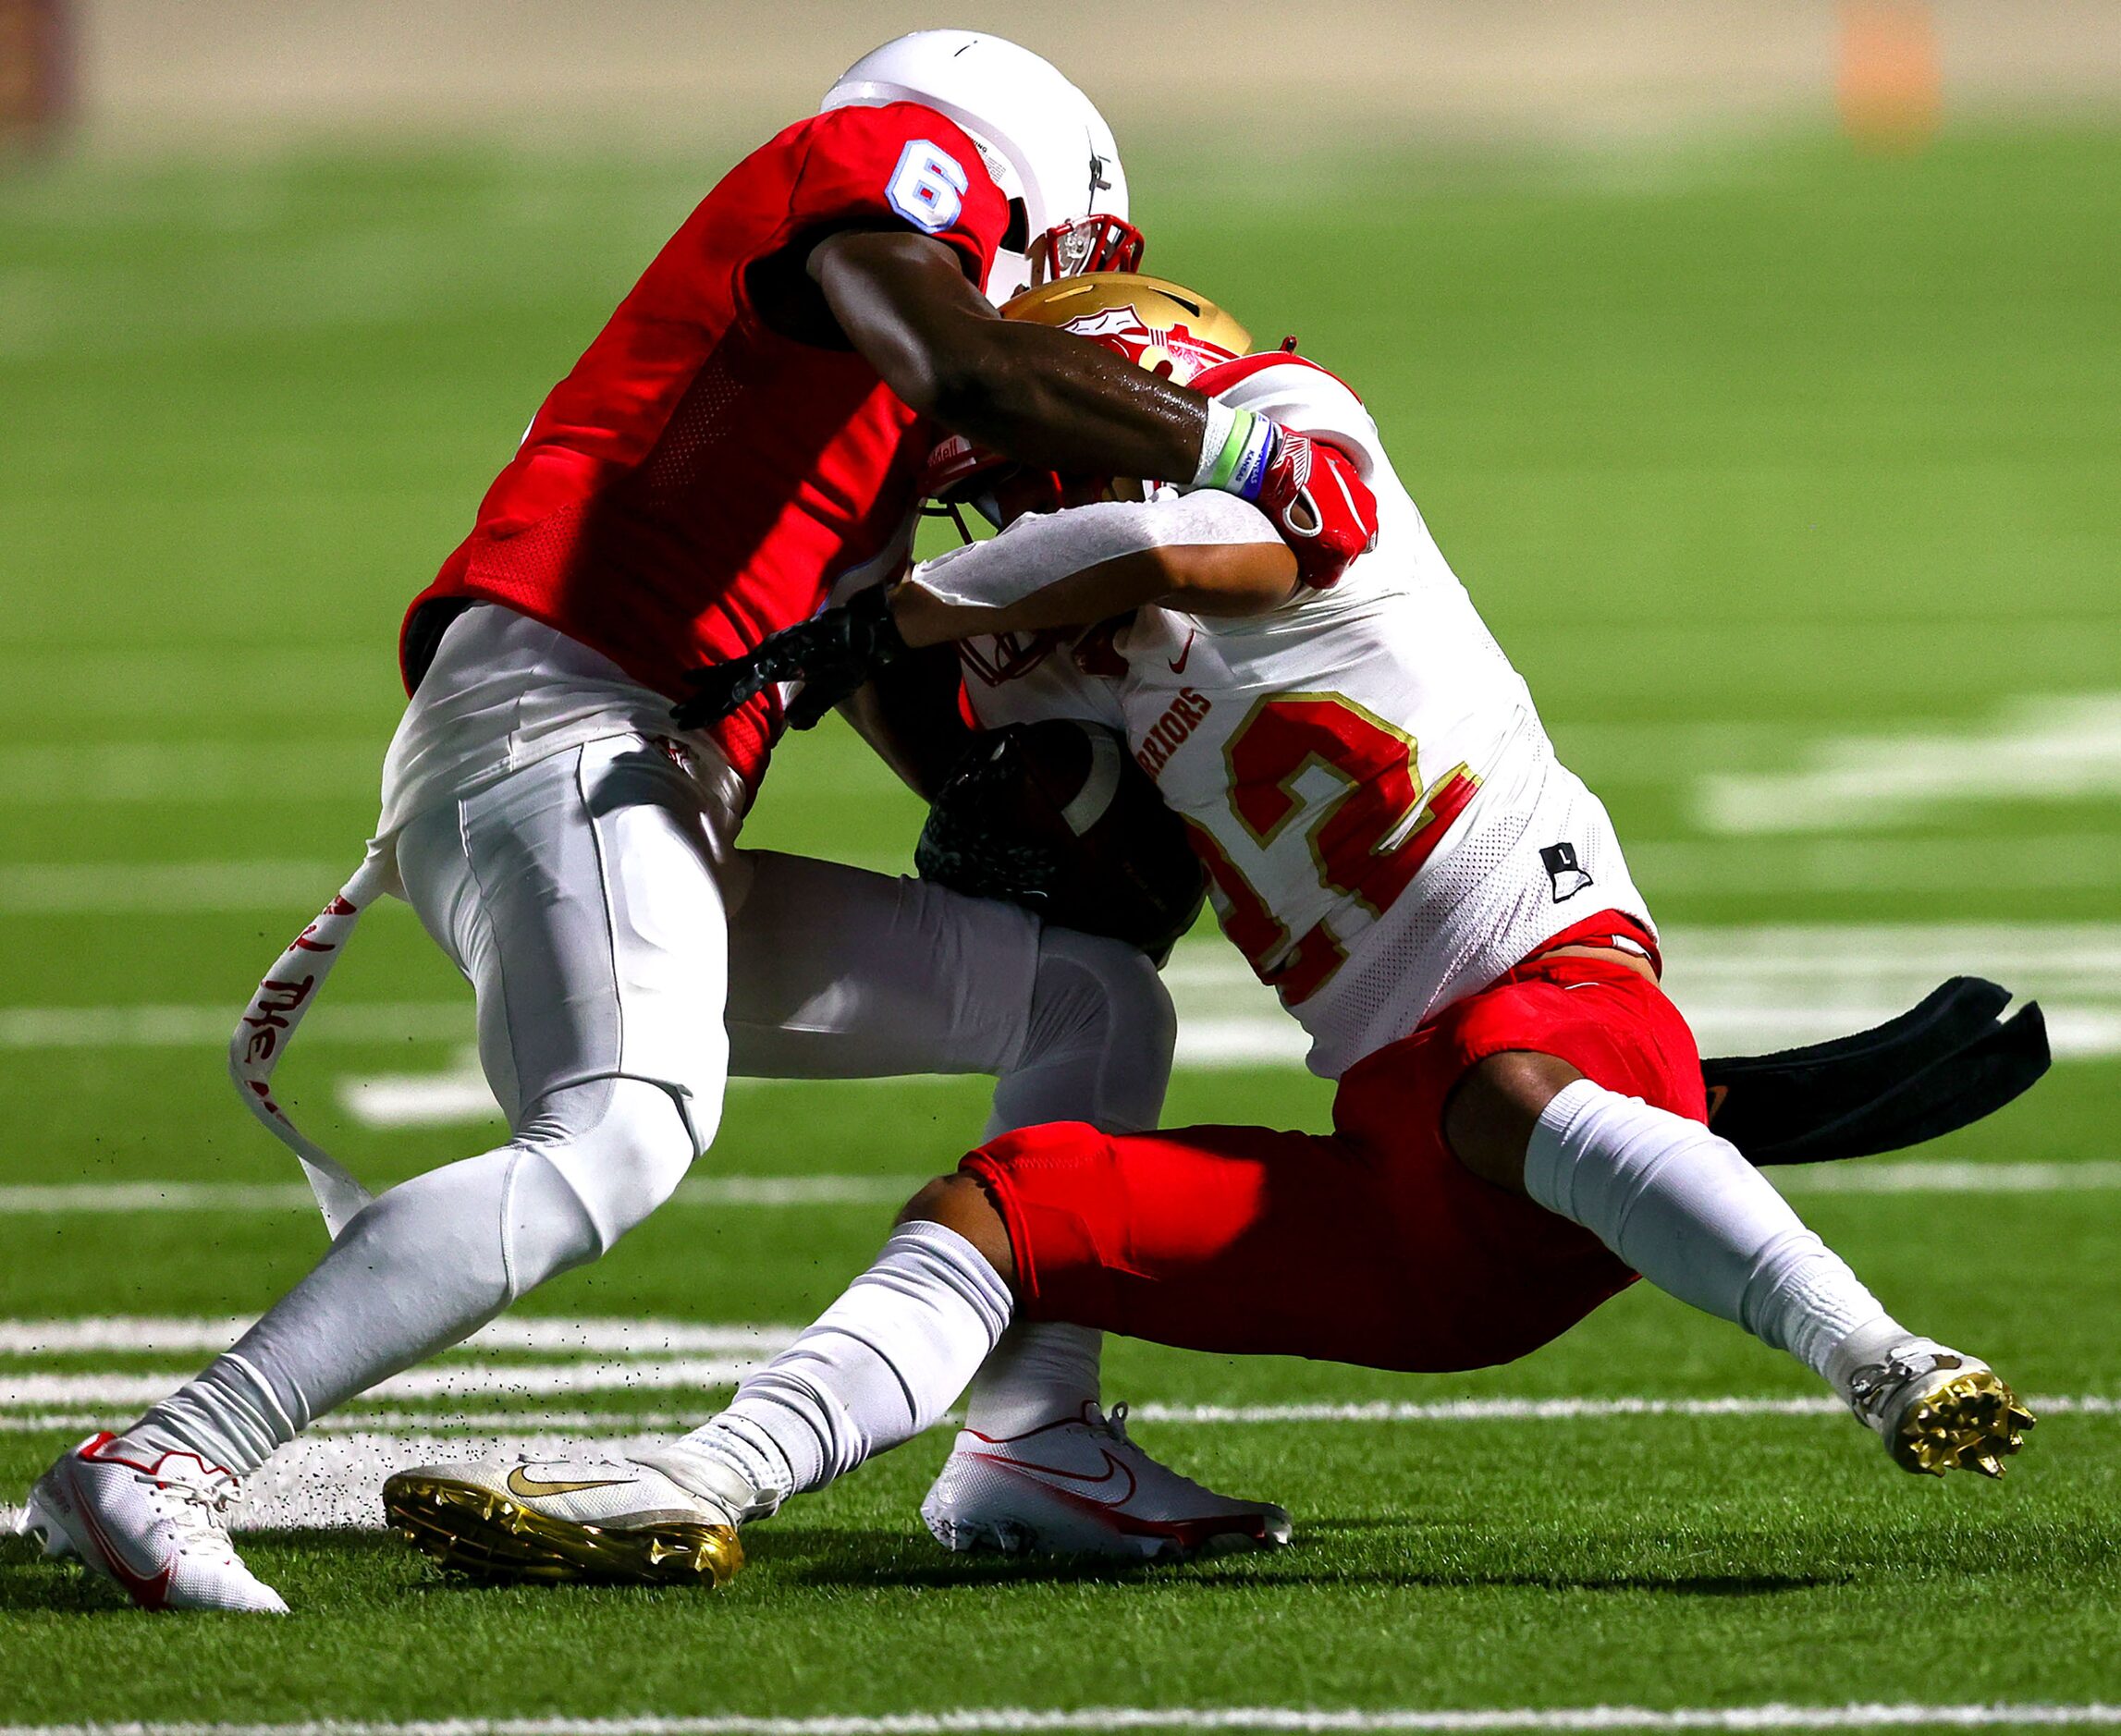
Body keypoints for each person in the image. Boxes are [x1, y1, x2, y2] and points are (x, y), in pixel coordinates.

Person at [378, 273, 2031, 1585]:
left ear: (1142, 385)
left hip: (1555, 997)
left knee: (1508, 1089)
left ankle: (1887, 1361)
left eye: (1035, 456)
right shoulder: (1085, 641)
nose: (1016, 498)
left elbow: (1161, 542)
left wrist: (907, 608)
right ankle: (705, 1479)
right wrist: (811, 598)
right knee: (1004, 1204)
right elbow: (962, 709)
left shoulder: (1292, 433)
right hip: (1406, 1195)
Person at [18, 40, 1362, 1614]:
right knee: (618, 1131)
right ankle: (167, 1455)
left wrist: (1045, 813)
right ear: (1026, 179)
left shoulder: (849, 407)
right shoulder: (890, 163)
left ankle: (1031, 1433)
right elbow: (968, 367)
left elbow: (866, 653)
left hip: (631, 770)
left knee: (1086, 990)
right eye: (1069, 264)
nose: (1063, 300)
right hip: (564, 719)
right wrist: (1242, 455)